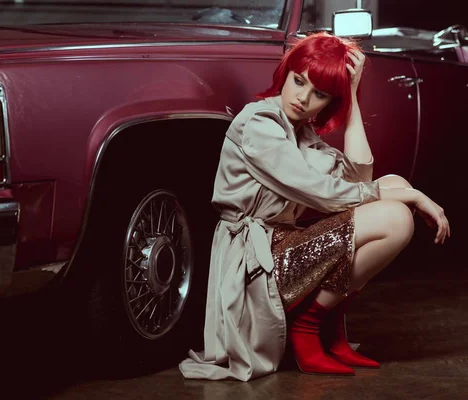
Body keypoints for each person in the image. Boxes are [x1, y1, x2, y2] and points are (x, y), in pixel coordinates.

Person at [179, 32, 450, 381]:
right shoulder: (260, 124)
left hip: (285, 247)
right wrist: (413, 198)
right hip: (257, 261)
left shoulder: (301, 132)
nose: (303, 98)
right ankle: (307, 327)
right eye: (298, 82)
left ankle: (329, 323)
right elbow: (325, 194)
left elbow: (356, 178)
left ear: (329, 102)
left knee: (396, 184)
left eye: (320, 94)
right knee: (397, 213)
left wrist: (351, 95)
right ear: (286, 72)